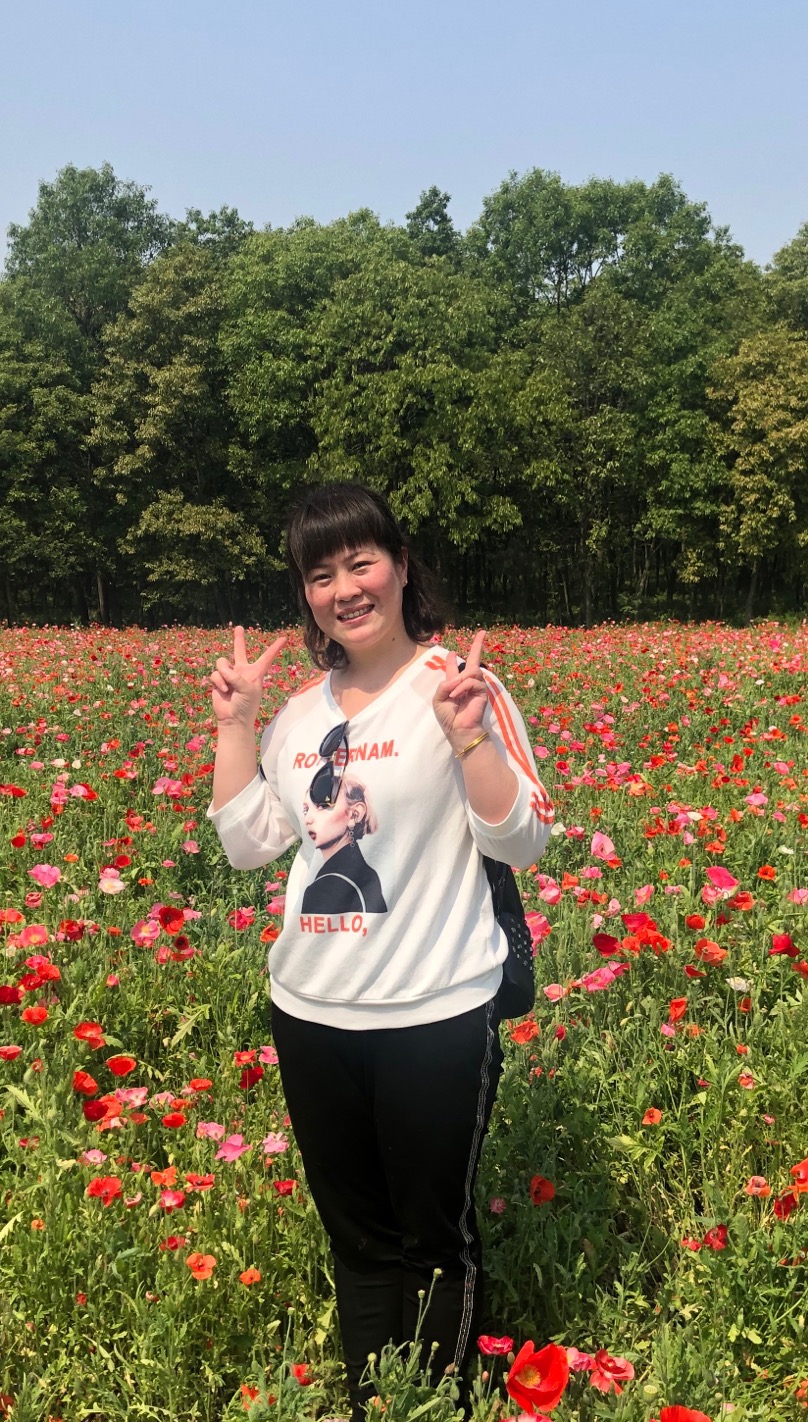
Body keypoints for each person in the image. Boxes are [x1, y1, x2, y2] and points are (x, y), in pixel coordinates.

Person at [207, 483, 554, 1421]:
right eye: (320, 574)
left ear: (400, 567)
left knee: (434, 1241)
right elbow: (249, 843)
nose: (344, 589)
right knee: (357, 1242)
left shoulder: (455, 686)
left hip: (435, 1014)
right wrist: (235, 725)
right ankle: (376, 1405)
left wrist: (469, 738)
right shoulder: (299, 715)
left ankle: (434, 1404)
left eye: (361, 562)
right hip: (311, 1013)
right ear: (306, 595)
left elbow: (523, 839)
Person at [301, 775, 387, 913]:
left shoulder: (326, 886)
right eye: (306, 810)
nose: (308, 820)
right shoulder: (367, 873)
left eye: (322, 806)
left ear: (355, 814)